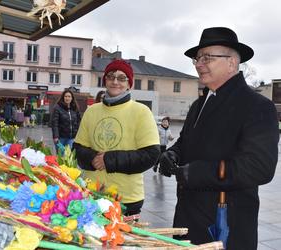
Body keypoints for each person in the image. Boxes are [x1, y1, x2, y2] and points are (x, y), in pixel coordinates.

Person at [158, 27, 279, 250]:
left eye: (207, 58)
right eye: (197, 58)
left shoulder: (257, 106)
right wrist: (172, 153)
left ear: (232, 62)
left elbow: (259, 167)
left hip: (225, 224)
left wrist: (197, 172)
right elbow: (186, 141)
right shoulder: (199, 104)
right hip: (187, 219)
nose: (198, 64)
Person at [73, 59, 160, 216]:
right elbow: (78, 149)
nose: (115, 81)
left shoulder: (141, 111)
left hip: (126, 198)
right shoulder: (91, 111)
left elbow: (150, 155)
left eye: (121, 78)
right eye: (111, 76)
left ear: (129, 84)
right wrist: (92, 158)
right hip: (91, 193)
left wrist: (109, 160)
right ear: (105, 80)